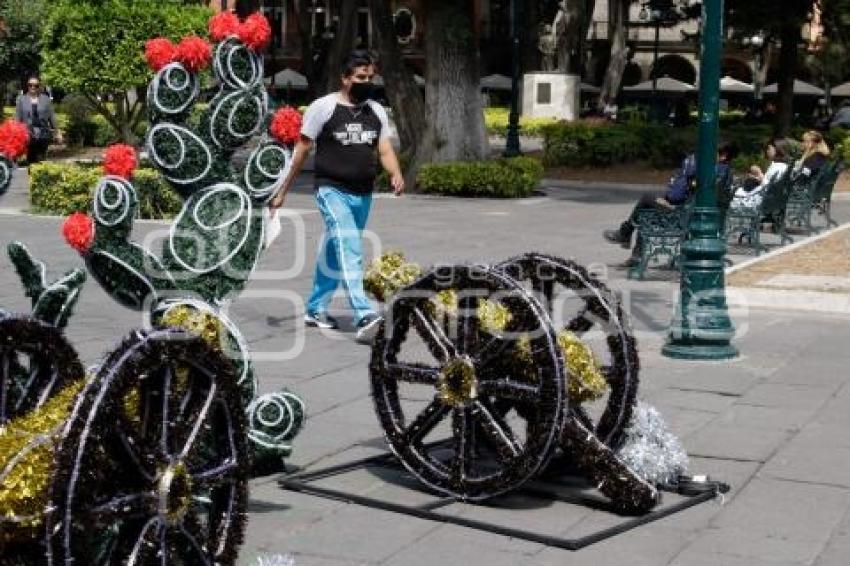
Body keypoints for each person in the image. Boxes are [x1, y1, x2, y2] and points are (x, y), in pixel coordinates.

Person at [268, 50, 404, 345]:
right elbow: (302, 151)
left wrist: (395, 173)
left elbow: (384, 149)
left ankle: (316, 309)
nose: (366, 82)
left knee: (335, 248)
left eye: (370, 77)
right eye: (360, 77)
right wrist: (282, 191)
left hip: (363, 193)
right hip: (331, 189)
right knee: (350, 246)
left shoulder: (376, 110)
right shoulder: (323, 108)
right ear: (345, 79)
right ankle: (363, 313)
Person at [603, 142, 738, 265]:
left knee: (647, 201)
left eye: (709, 152)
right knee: (647, 207)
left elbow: (683, 195)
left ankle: (627, 236)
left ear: (723, 156)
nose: (703, 155)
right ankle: (631, 245)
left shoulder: (711, 172)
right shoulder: (723, 172)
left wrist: (671, 203)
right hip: (691, 214)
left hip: (684, 216)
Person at [730, 141, 788, 210]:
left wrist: (759, 173)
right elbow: (770, 183)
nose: (767, 151)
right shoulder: (778, 165)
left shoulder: (779, 167)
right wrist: (756, 177)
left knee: (735, 192)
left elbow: (769, 187)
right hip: (763, 196)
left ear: (778, 150)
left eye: (769, 149)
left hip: (761, 199)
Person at [15, 77, 58, 165]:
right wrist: (16, 133)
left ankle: (41, 176)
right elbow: (18, 117)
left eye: (36, 85)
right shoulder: (22, 99)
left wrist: (57, 132)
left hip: (43, 133)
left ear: (39, 87)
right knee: (31, 159)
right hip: (28, 134)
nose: (33, 87)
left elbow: (52, 116)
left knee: (41, 159)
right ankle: (32, 176)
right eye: (30, 85)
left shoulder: (46, 100)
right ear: (27, 86)